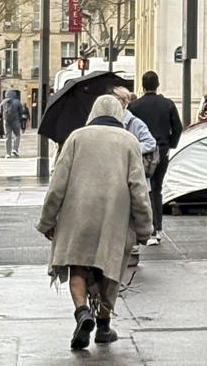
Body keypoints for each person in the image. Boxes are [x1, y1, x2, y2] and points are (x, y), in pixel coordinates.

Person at [38, 93, 154, 350]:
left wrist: (47, 220)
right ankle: (103, 326)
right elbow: (138, 188)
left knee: (78, 267)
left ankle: (82, 312)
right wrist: (145, 227)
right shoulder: (129, 142)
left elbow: (58, 183)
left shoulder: (76, 138)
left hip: (76, 216)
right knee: (109, 269)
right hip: (114, 218)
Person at [128, 71, 182, 244]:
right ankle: (157, 227)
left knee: (141, 188)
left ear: (143, 86)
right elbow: (178, 128)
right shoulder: (168, 104)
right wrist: (169, 145)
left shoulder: (134, 106)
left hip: (141, 152)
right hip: (162, 149)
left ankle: (143, 226)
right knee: (157, 188)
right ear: (158, 85)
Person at [1, 88, 25, 157]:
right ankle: (15, 149)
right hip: (16, 121)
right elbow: (21, 112)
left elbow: (0, 112)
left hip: (6, 121)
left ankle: (8, 153)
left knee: (8, 137)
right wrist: (21, 122)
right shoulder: (17, 102)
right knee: (17, 135)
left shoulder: (3, 102)